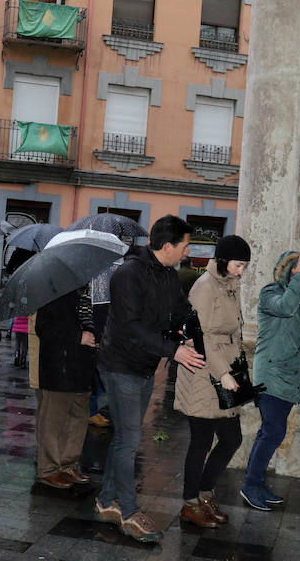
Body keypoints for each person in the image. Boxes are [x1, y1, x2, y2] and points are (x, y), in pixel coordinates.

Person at [94, 215, 203, 543]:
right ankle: (128, 509)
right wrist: (174, 350)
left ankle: (105, 500)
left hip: (142, 364)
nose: (187, 252)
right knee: (129, 440)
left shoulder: (167, 274)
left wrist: (190, 334)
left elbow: (181, 310)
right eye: (185, 246)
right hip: (120, 364)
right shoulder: (129, 274)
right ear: (168, 246)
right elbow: (131, 326)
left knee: (125, 438)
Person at [241, 251, 300, 510]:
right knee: (272, 432)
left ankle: (256, 483)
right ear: (291, 276)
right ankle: (250, 486)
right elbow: (285, 307)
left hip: (289, 377)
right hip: (271, 376)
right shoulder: (271, 294)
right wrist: (299, 279)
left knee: (270, 432)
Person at [174, 235, 251, 528]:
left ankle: (205, 493)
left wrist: (238, 372)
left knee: (232, 438)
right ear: (223, 260)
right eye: (237, 265)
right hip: (204, 373)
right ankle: (190, 503)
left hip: (227, 371)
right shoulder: (204, 288)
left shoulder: (230, 286)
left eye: (244, 266)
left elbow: (235, 333)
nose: (241, 271)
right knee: (202, 440)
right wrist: (222, 373)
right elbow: (200, 337)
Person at [34, 286, 98, 488]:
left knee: (77, 421)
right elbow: (44, 328)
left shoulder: (85, 295)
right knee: (53, 423)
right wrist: (78, 337)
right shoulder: (52, 292)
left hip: (82, 368)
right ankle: (48, 469)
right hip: (59, 370)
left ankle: (68, 465)